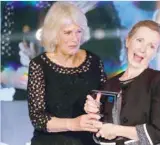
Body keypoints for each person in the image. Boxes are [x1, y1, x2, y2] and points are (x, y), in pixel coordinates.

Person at [84, 20, 160, 145]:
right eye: (139, 40)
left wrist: (116, 130)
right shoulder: (109, 85)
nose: (143, 49)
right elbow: (101, 133)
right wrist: (94, 114)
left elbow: (159, 132)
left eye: (151, 46)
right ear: (128, 41)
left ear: (155, 53)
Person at [27, 2, 106, 145]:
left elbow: (106, 103)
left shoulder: (94, 61)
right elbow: (38, 119)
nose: (75, 39)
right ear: (54, 34)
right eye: (68, 32)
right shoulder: (39, 65)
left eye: (78, 31)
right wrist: (74, 124)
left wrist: (98, 108)